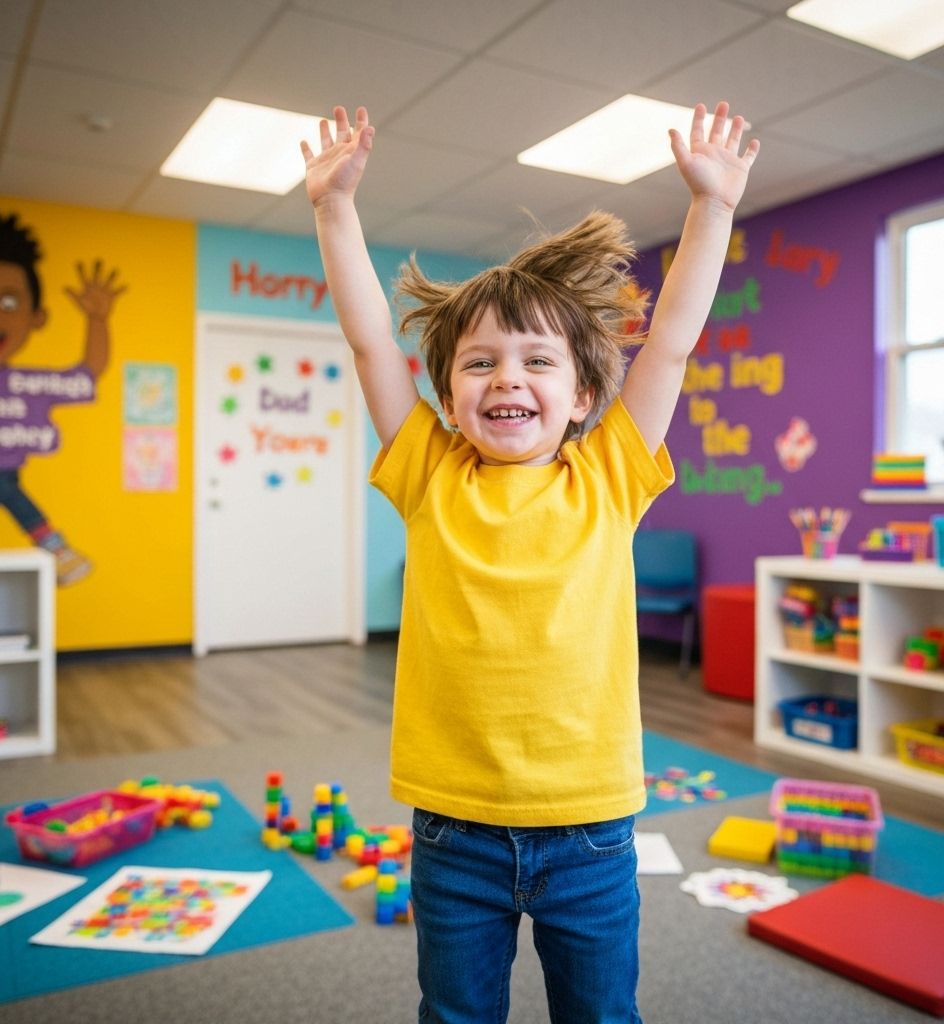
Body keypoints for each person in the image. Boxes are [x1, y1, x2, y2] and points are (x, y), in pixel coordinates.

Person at [302, 99, 758, 1023]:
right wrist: (333, 208)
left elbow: (668, 344)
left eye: (536, 362)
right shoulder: (430, 469)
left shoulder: (610, 474)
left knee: (599, 1014)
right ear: (447, 392)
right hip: (452, 827)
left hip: (588, 829)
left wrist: (713, 208)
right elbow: (367, 342)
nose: (507, 378)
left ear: (585, 392)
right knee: (456, 1013)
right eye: (479, 364)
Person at [0, 213, 126, 585]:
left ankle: (57, 549)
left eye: (9, 303)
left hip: (7, 467)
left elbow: (88, 372)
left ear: (37, 317)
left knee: (6, 484)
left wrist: (98, 320)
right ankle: (57, 548)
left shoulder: (30, 383)